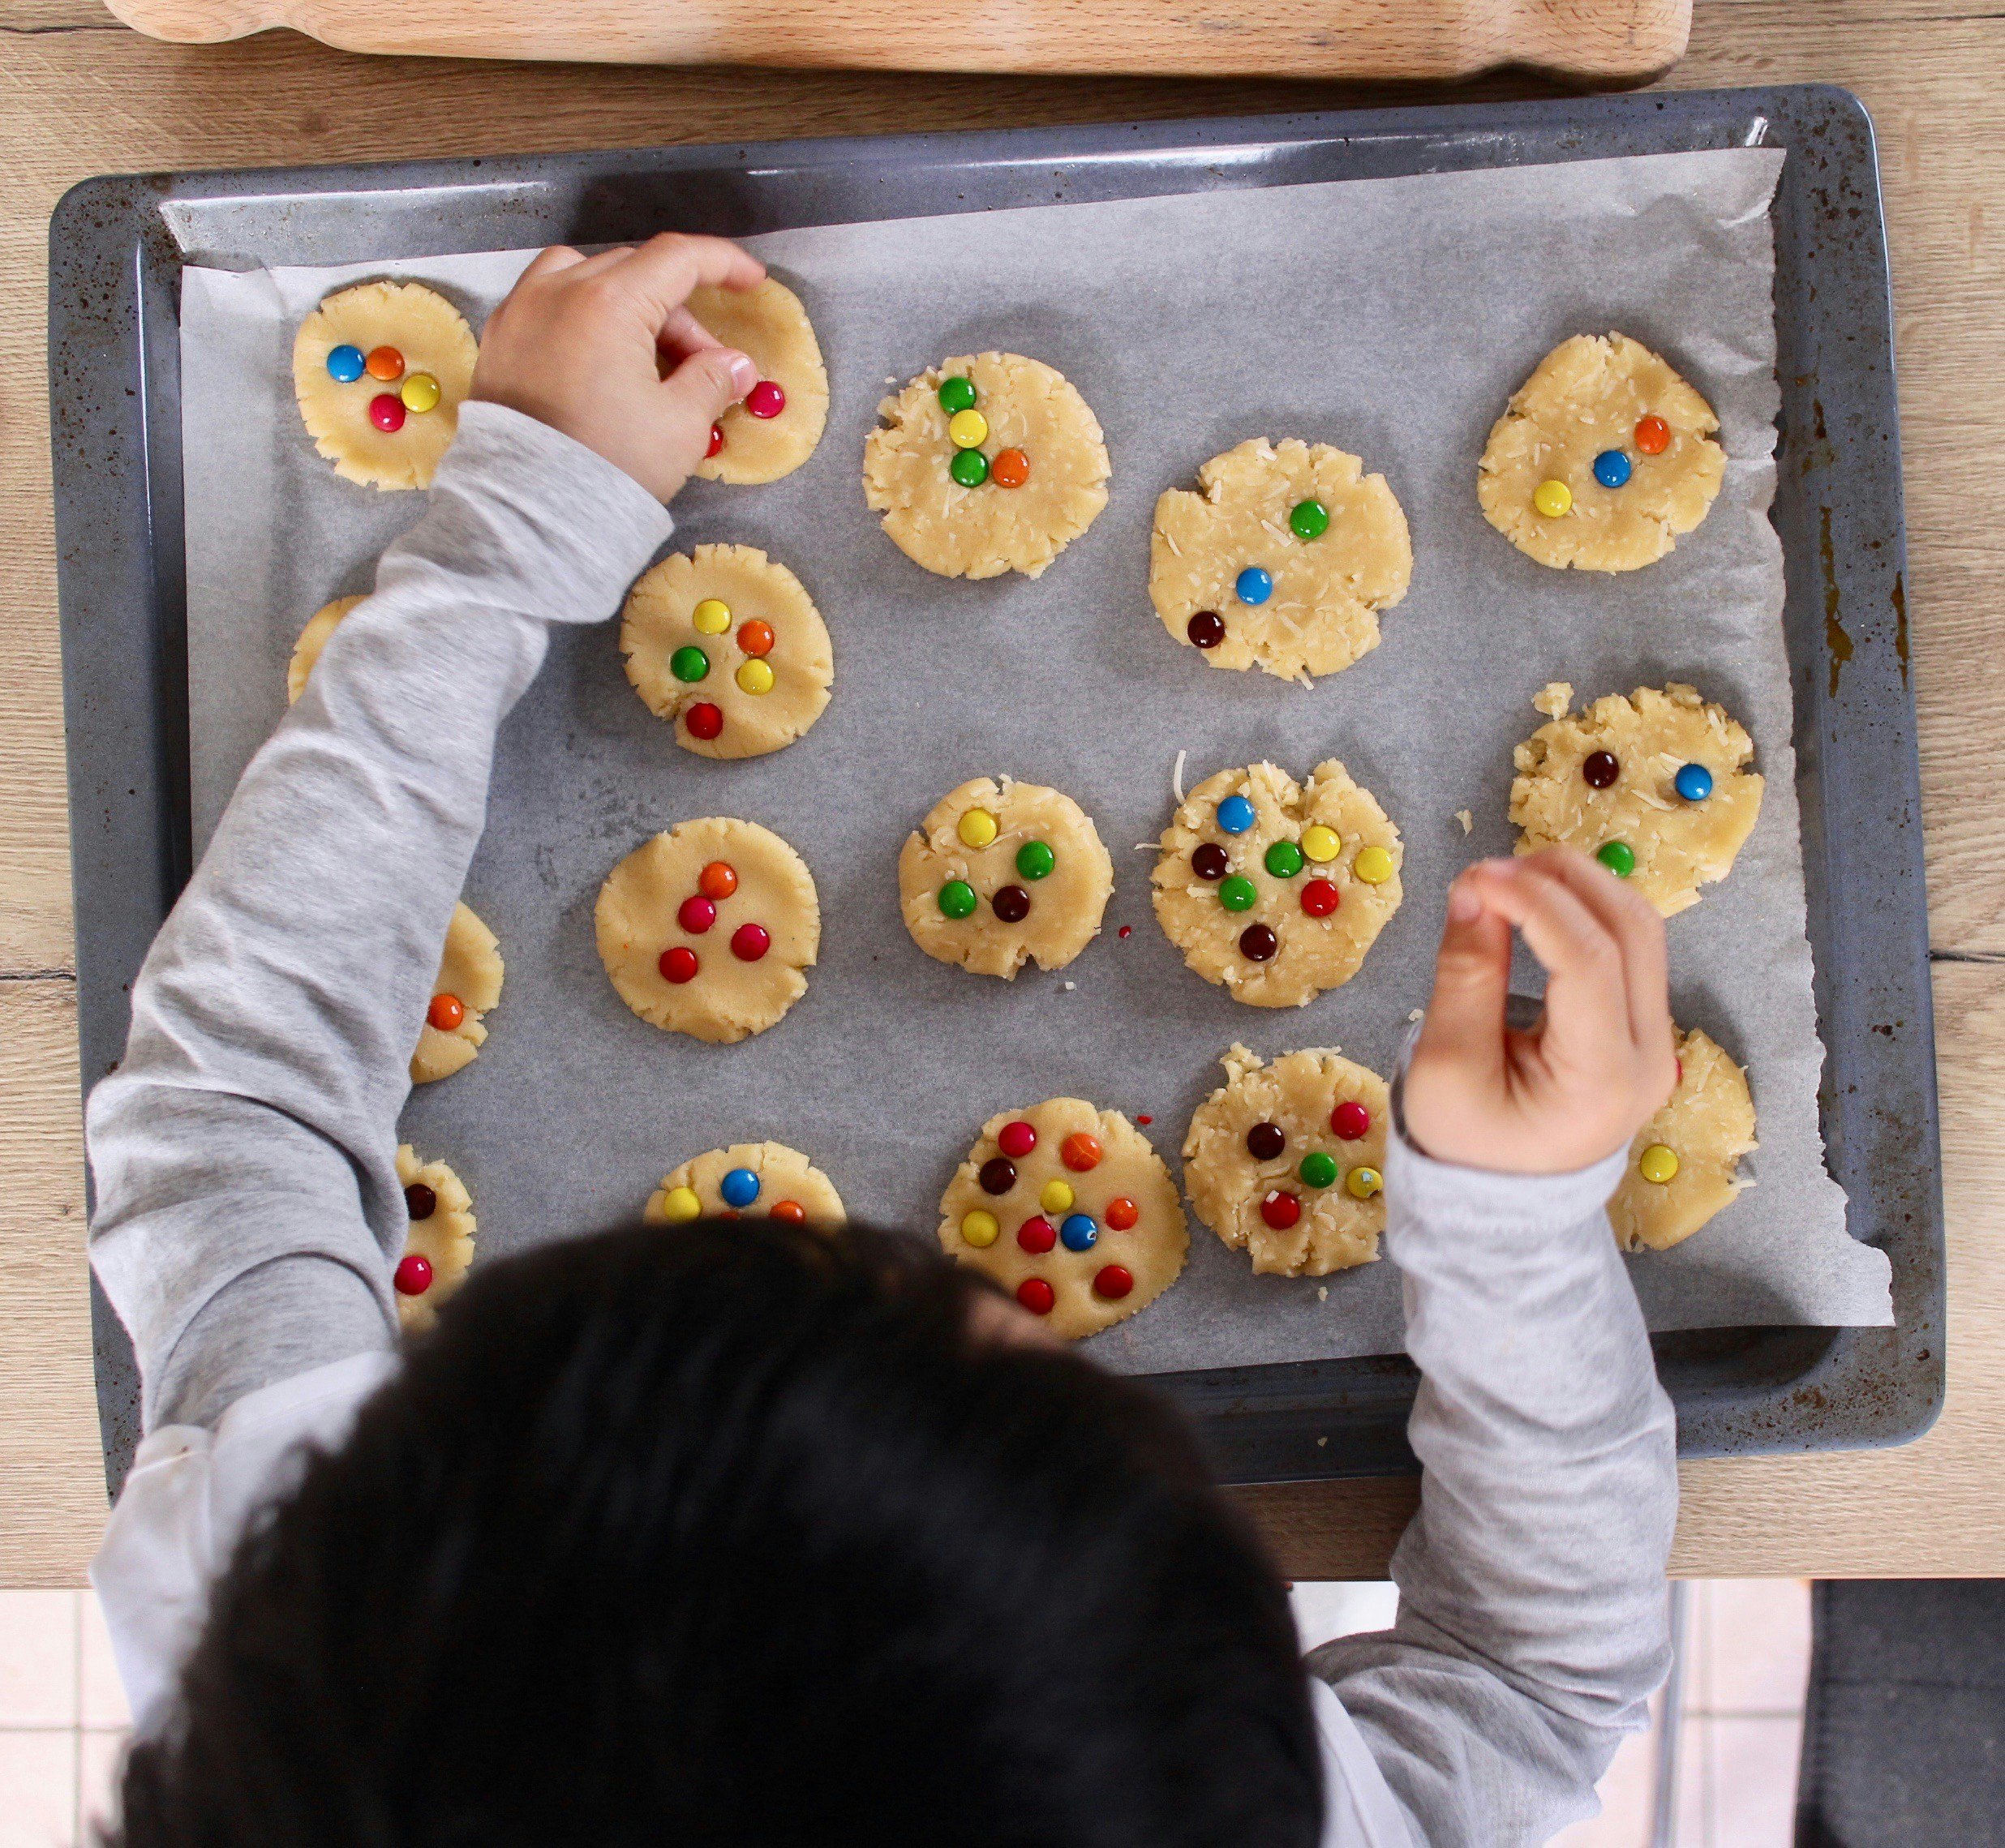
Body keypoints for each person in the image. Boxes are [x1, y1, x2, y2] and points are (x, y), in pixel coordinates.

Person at [84, 234, 1679, 1848]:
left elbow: (234, 1111)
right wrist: (1514, 1229)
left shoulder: (316, 1622)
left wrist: (514, 523)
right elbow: (1537, 1687)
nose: (929, 1251)